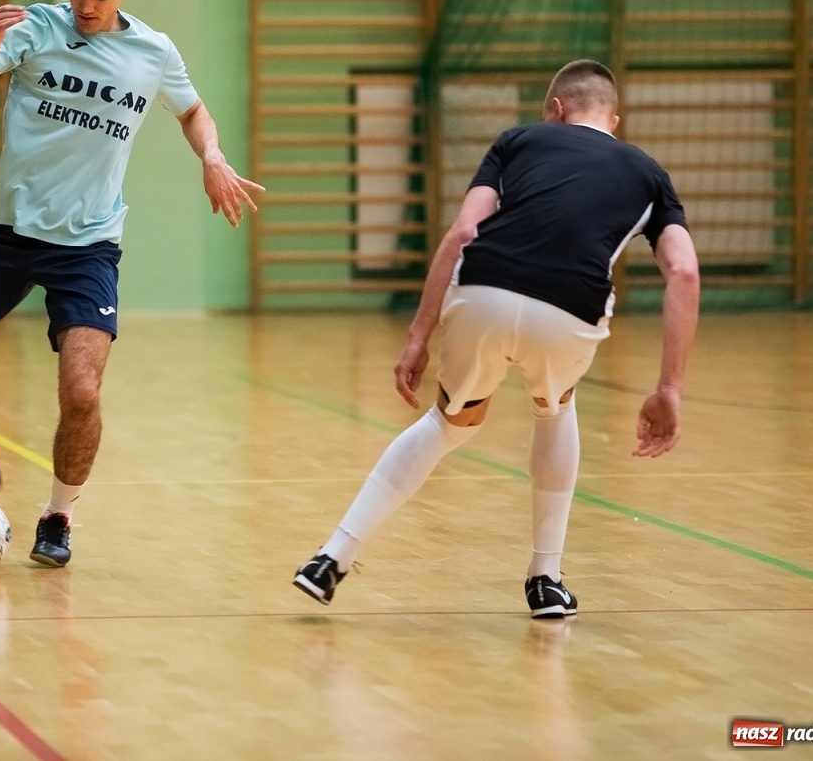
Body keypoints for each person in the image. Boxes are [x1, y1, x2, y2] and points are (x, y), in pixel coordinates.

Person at [0, 0, 263, 568]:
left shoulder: (153, 52)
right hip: (7, 235)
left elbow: (192, 110)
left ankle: (59, 515)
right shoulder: (33, 29)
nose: (85, 6)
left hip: (87, 246)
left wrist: (212, 156)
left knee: (83, 391)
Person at [293, 60, 701, 618]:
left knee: (448, 422)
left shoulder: (518, 141)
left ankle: (331, 557)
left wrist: (418, 335)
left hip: (484, 288)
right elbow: (684, 272)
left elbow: (464, 232)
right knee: (555, 409)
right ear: (614, 120)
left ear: (555, 110)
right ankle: (546, 580)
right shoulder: (649, 174)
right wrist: (669, 387)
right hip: (569, 309)